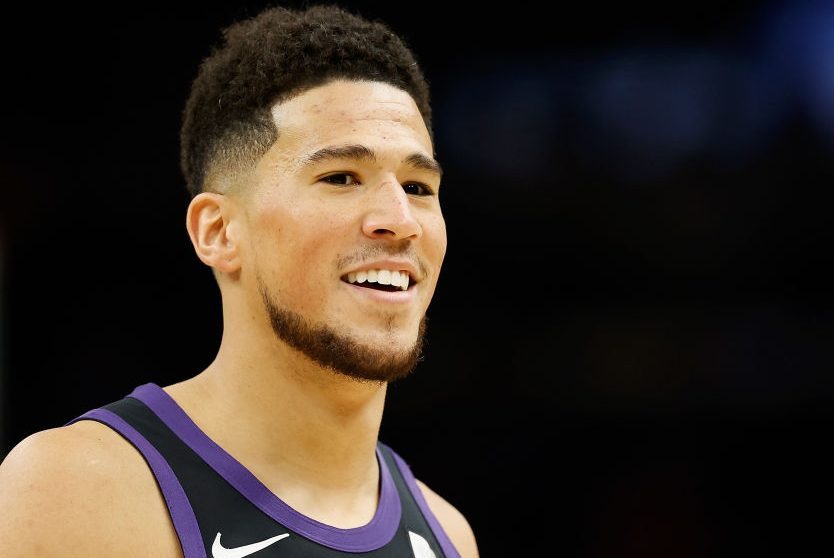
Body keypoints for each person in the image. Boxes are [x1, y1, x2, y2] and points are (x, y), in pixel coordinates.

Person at [0, 5, 478, 557]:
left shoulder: (449, 537)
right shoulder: (80, 491)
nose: (400, 220)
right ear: (220, 231)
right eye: (341, 177)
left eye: (419, 187)